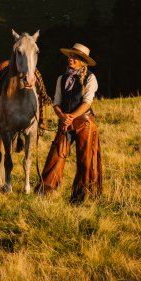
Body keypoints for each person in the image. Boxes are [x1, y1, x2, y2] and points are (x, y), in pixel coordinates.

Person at [36, 43, 102, 203]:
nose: (71, 59)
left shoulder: (90, 78)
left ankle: (84, 196)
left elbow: (87, 103)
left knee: (86, 160)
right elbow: (56, 102)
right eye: (70, 56)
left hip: (84, 122)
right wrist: (62, 116)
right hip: (65, 121)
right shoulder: (61, 78)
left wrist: (71, 117)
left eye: (75, 57)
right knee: (56, 155)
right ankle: (45, 192)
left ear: (82, 61)